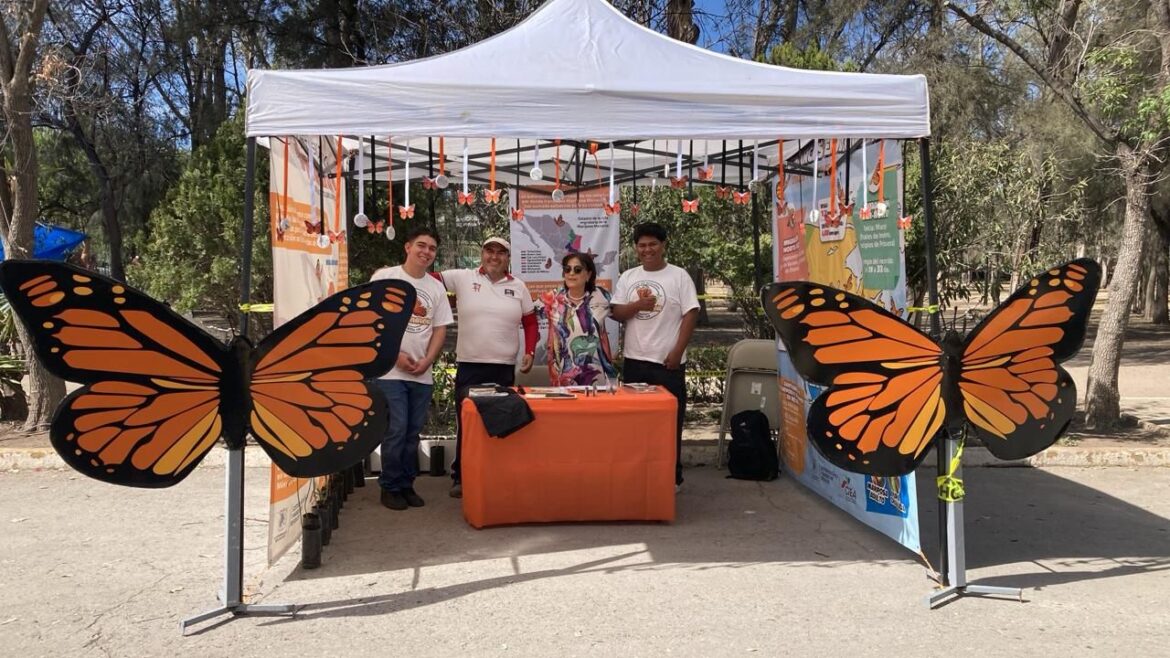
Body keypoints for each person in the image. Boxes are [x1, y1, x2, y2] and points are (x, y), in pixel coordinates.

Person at [441, 237, 538, 497]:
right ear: (482, 253)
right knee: (468, 422)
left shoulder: (518, 286)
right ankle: (461, 476)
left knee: (503, 421)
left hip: (503, 368)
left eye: (501, 252)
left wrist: (529, 351)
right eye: (489, 251)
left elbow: (530, 322)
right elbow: (429, 279)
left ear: (508, 258)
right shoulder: (462, 277)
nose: (494, 256)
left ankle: (496, 472)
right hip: (470, 366)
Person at [370, 226, 453, 511]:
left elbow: (440, 328)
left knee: (412, 432)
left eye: (431, 248)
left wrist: (428, 360)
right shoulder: (385, 277)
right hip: (390, 371)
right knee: (396, 428)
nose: (426, 252)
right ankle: (389, 487)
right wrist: (396, 356)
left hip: (422, 372)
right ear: (407, 247)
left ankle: (406, 484)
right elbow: (371, 322)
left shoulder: (435, 287)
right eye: (421, 245)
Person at [611, 222, 699, 488]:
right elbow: (616, 313)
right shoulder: (628, 277)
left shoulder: (679, 276)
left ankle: (672, 477)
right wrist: (637, 305)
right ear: (636, 248)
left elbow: (691, 313)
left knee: (670, 422)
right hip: (635, 362)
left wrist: (677, 351)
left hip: (668, 364)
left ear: (663, 245)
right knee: (637, 424)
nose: (647, 249)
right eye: (642, 245)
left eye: (652, 244)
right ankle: (640, 475)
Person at [536, 252, 616, 386]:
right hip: (563, 375)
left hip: (597, 374)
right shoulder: (552, 298)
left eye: (577, 270)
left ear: (588, 275)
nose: (571, 273)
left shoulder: (602, 295)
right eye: (567, 269)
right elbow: (526, 316)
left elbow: (623, 314)